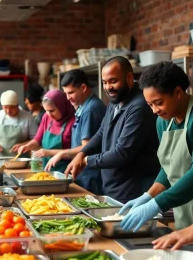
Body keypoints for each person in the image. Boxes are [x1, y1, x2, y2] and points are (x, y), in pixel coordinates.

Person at [66, 56, 160, 203]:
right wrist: (82, 152)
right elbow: (102, 132)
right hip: (114, 188)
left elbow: (122, 153)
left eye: (113, 81)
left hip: (133, 191)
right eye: (104, 82)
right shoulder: (115, 100)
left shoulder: (139, 106)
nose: (108, 87)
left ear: (129, 77)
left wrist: (86, 160)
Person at [120, 61, 193, 232]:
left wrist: (157, 204)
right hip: (184, 211)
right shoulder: (163, 122)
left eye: (158, 102)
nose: (154, 110)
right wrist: (148, 195)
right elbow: (170, 167)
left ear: (177, 92)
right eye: (150, 104)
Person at [45, 70, 106, 194]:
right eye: (66, 93)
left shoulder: (91, 109)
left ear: (83, 87)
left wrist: (62, 153)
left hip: (91, 175)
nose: (68, 98)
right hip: (82, 173)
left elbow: (87, 147)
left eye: (71, 92)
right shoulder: (83, 107)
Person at [18, 90, 75, 172]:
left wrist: (49, 152)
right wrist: (27, 146)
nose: (49, 114)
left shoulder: (73, 121)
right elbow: (37, 140)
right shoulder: (46, 117)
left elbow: (75, 152)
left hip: (65, 171)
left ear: (61, 106)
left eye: (52, 111)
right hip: (46, 169)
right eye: (46, 111)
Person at [0, 90, 38, 159]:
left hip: (21, 160)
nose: (8, 111)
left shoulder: (28, 117)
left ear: (17, 105)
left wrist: (23, 145)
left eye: (12, 107)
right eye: (5, 107)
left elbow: (36, 139)